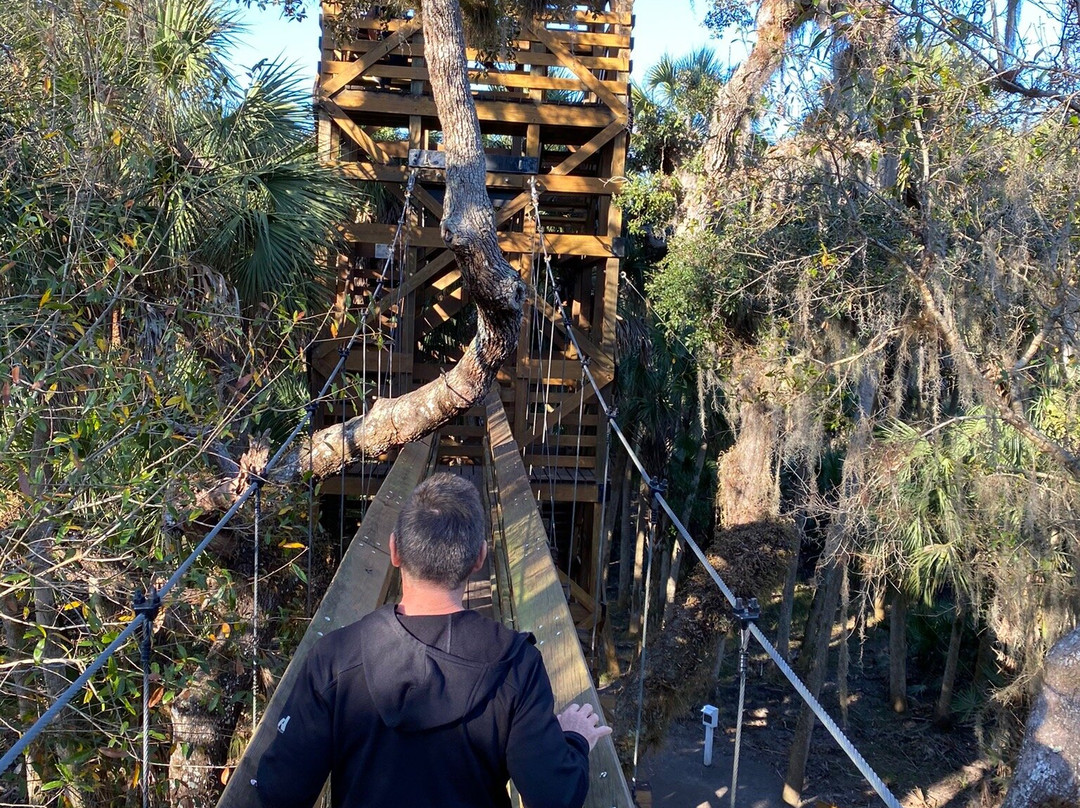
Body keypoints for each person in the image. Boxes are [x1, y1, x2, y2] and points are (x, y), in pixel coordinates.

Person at [252, 472, 611, 808]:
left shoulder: (334, 659)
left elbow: (280, 792)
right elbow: (555, 797)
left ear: (394, 551)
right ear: (479, 559)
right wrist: (574, 740)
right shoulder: (516, 664)